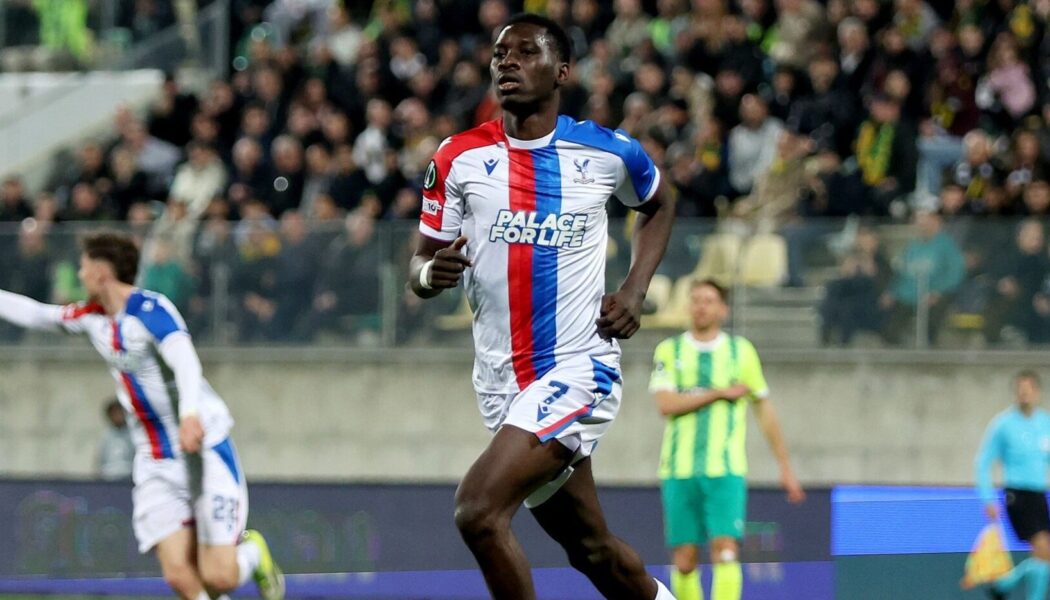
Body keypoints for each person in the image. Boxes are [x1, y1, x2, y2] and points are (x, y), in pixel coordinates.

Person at [408, 14, 677, 600]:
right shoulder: (458, 158)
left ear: (561, 71)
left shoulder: (606, 152)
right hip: (504, 380)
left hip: (579, 368)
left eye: (525, 52)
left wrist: (634, 289)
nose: (507, 62)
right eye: (500, 54)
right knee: (592, 551)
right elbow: (420, 267)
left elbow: (658, 203)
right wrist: (432, 273)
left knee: (478, 511)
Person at [0, 232, 284, 600]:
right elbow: (38, 314)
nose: (80, 274)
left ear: (102, 273)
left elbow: (185, 360)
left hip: (203, 449)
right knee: (181, 577)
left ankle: (253, 554)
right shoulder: (91, 318)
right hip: (155, 461)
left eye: (84, 267)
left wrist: (189, 415)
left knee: (218, 578)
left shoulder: (152, 310)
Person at [649, 279, 805, 600]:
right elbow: (666, 404)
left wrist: (785, 466)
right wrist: (719, 392)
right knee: (685, 558)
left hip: (726, 469)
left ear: (723, 309)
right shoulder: (669, 350)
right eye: (695, 300)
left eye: (708, 300)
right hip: (678, 469)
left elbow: (764, 411)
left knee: (725, 549)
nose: (700, 306)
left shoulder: (741, 352)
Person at [971, 371, 1050, 600]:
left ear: (1037, 392)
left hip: (1038, 495)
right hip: (1017, 495)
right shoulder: (1003, 424)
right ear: (1015, 393)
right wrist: (987, 498)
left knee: (1043, 556)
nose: (1024, 394)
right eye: (1020, 390)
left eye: (1028, 389)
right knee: (1044, 551)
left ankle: (1003, 584)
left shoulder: (1045, 423)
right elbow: (982, 462)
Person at [98, 398, 135, 481]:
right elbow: (101, 462)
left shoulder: (134, 435)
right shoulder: (106, 436)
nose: (117, 416)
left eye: (119, 413)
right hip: (108, 480)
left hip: (128, 480)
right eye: (113, 414)